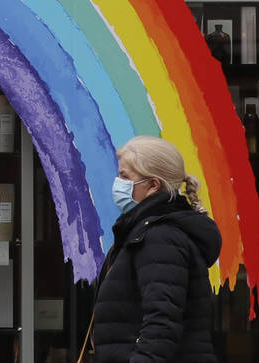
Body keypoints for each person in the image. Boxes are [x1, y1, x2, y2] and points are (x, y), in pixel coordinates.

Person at [89, 135, 222, 363]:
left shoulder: (160, 237)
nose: (117, 183)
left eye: (124, 177)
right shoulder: (147, 232)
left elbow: (162, 322)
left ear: (153, 185)